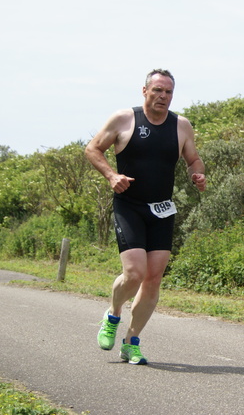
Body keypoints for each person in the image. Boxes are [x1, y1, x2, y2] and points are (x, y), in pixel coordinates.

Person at [85, 69, 206, 365]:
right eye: (158, 90)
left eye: (168, 92)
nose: (163, 96)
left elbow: (193, 159)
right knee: (135, 273)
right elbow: (93, 149)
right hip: (130, 206)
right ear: (145, 91)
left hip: (162, 209)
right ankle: (113, 315)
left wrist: (197, 174)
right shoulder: (124, 119)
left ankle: (131, 342)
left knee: (153, 279)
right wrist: (111, 175)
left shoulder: (181, 126)